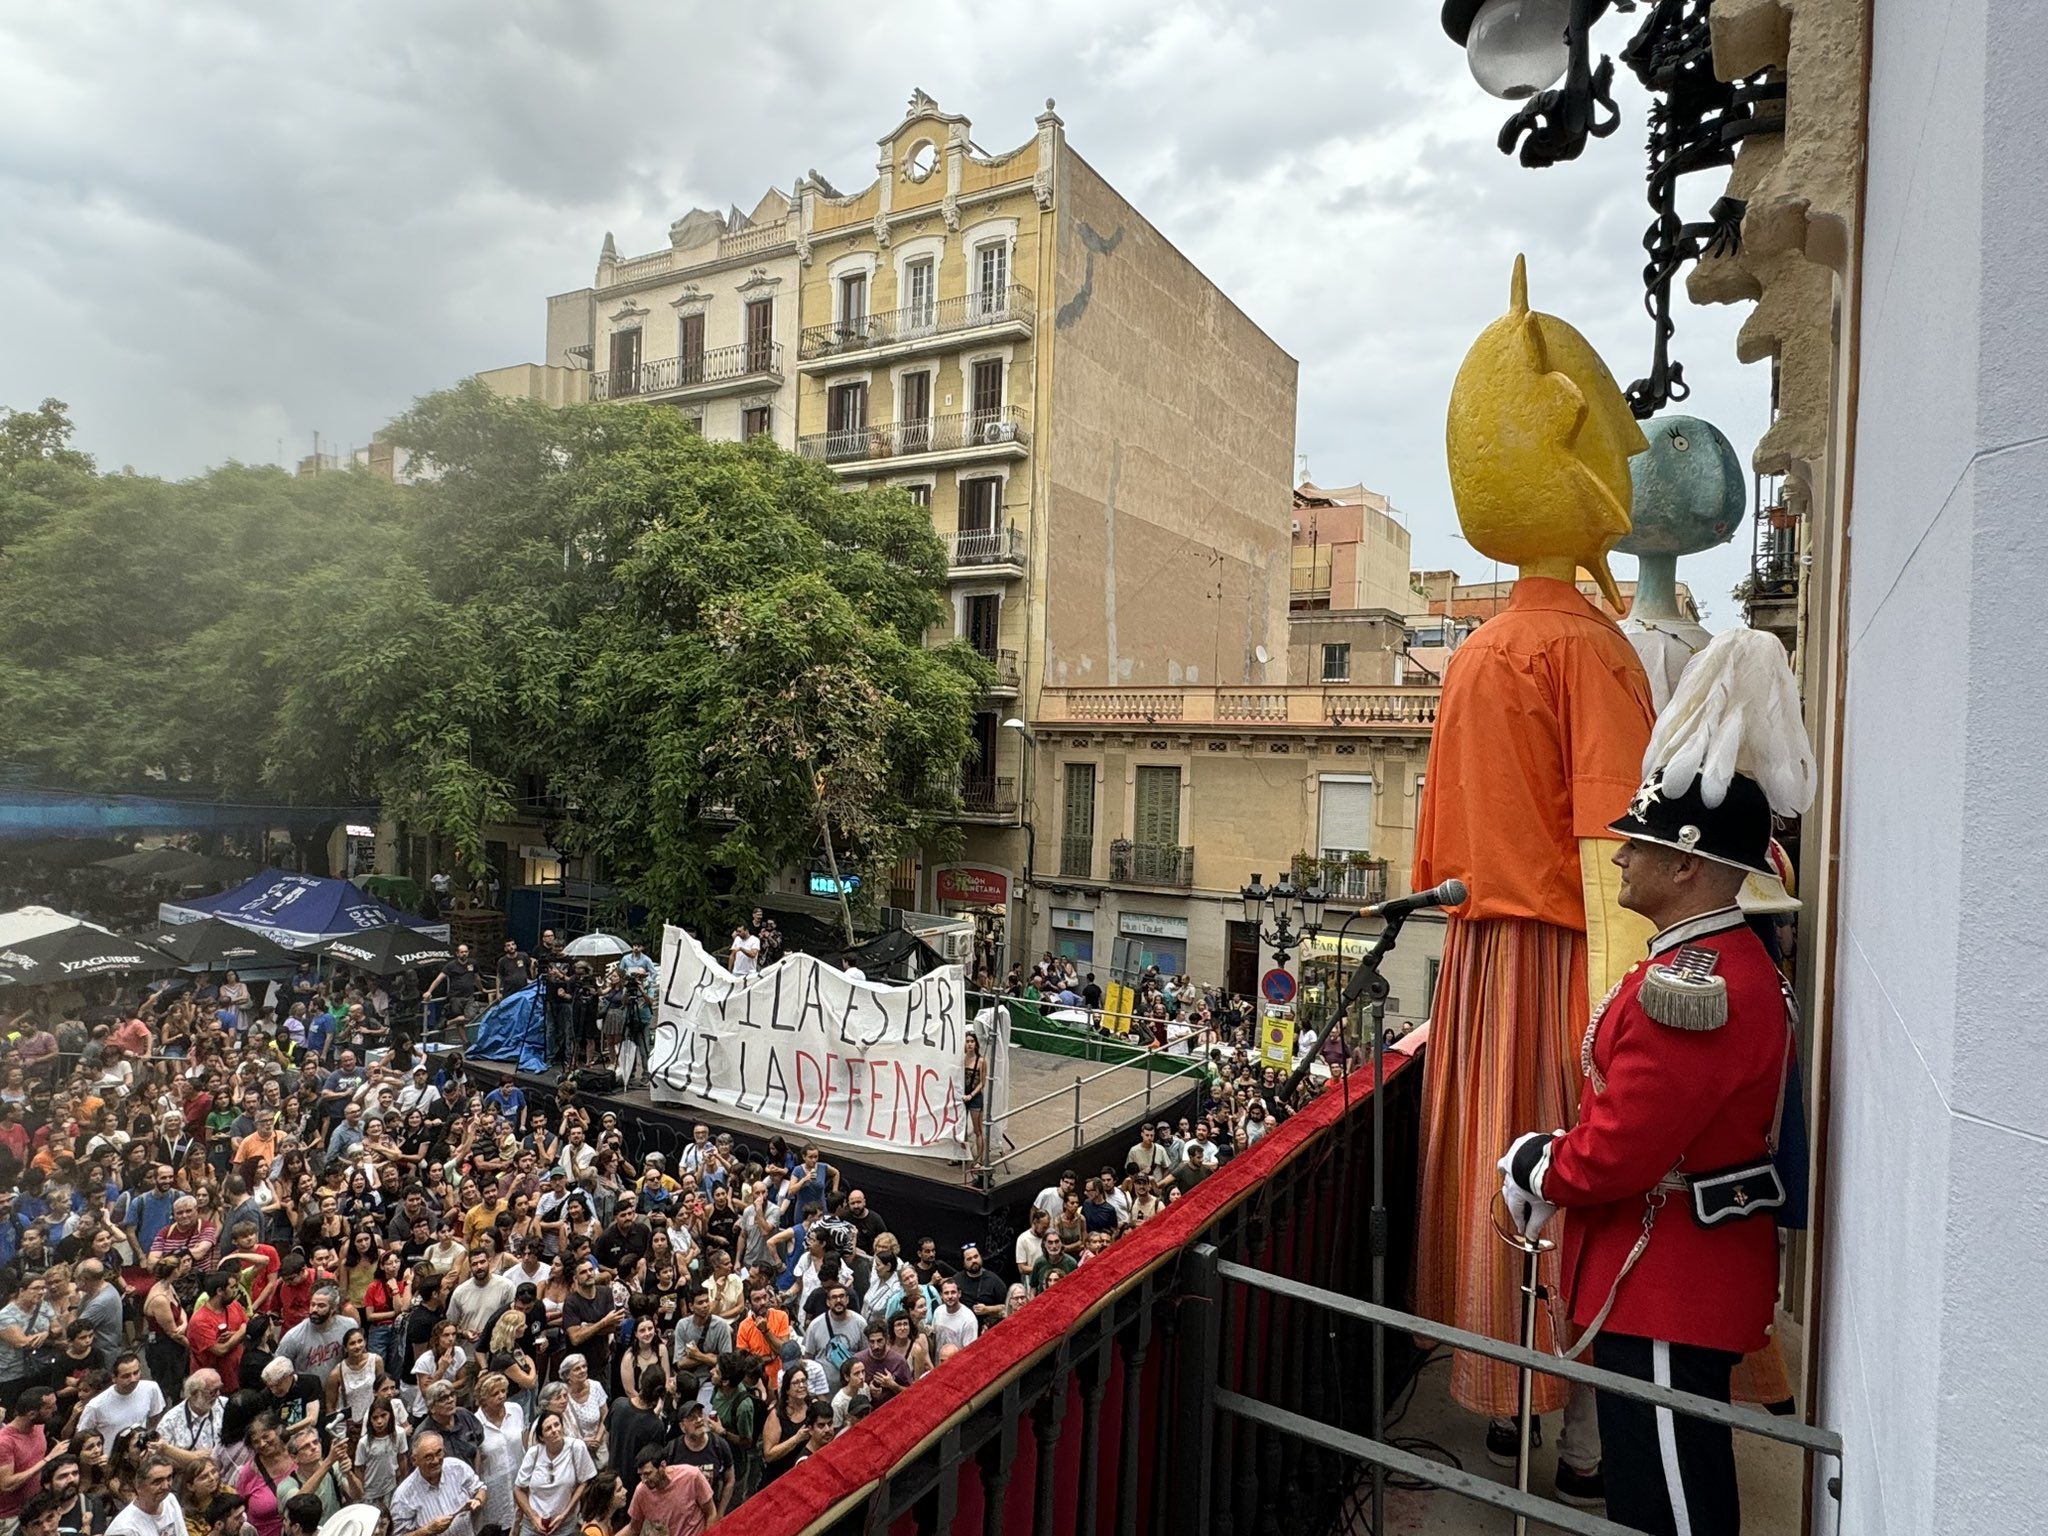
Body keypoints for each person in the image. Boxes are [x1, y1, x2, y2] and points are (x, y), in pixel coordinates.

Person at [1501, 721, 1808, 1532]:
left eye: (1637, 843)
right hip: (1671, 1272)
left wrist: (1537, 1165)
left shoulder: (1695, 986)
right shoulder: (1705, 960)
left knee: (1672, 1505)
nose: (1618, 858)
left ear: (1686, 863)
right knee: (1658, 1490)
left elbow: (1619, 1153)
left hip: (1666, 1277)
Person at [511, 1412, 593, 1536]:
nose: (554, 1430)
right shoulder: (534, 1454)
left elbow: (584, 1482)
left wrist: (565, 1514)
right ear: (542, 1437)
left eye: (557, 1425)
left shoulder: (576, 1447)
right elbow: (518, 1489)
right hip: (533, 1526)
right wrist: (533, 1517)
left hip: (565, 1526)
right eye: (548, 1428)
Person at [389, 1431, 486, 1536]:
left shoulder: (457, 1467)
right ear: (414, 1460)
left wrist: (477, 1500)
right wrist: (427, 1530)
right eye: (428, 1457)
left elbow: (480, 1489)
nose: (436, 1461)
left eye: (439, 1452)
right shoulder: (403, 1496)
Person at [0, 1388, 61, 1536]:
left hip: (37, 1509)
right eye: (49, 1407)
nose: (55, 1409)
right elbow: (6, 1484)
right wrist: (47, 1459)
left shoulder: (39, 1426)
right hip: (11, 1517)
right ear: (32, 1414)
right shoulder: (5, 1442)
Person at [622, 1447, 714, 1536]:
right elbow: (633, 1528)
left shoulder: (691, 1476)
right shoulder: (641, 1491)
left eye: (647, 1474)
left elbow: (711, 1513)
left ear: (662, 1465)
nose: (644, 1480)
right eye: (641, 1475)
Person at [666, 1401, 732, 1517]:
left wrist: (720, 1514)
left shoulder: (719, 1445)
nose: (699, 1420)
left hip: (711, 1513)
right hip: (683, 1515)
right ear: (682, 1426)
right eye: (692, 1417)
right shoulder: (672, 1450)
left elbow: (730, 1480)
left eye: (700, 1414)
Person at [75, 1359, 160, 1444]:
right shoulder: (95, 1406)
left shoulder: (151, 1388)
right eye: (126, 1376)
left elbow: (155, 1417)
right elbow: (80, 1438)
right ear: (114, 1378)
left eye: (136, 1373)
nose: (133, 1379)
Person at [153, 1374, 223, 1474]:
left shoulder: (224, 1405)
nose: (218, 1394)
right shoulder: (170, 1422)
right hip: (185, 1479)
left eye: (219, 1389)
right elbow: (160, 1460)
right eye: (213, 1391)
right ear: (194, 1394)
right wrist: (193, 1459)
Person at [104, 1453, 180, 1536]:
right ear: (139, 1487)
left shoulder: (170, 1500)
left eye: (169, 1478)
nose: (166, 1486)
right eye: (157, 1481)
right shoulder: (125, 1529)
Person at [929, 1280, 978, 1361]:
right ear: (941, 1295)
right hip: (938, 1365)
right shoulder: (938, 1311)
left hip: (957, 1366)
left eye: (953, 1292)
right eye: (946, 1293)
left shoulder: (969, 1320)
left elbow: (970, 1352)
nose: (950, 1296)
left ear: (959, 1294)